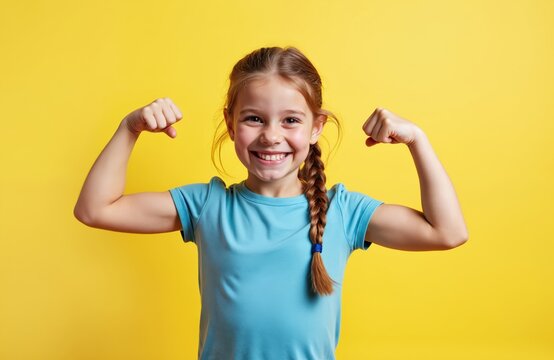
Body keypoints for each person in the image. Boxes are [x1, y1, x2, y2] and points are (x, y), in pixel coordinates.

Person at [74, 46, 468, 360]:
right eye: (254, 119)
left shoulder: (343, 212)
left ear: (317, 127)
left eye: (291, 120)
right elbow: (95, 209)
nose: (271, 136)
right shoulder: (207, 206)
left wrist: (418, 140)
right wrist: (130, 129)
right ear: (230, 124)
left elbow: (447, 232)